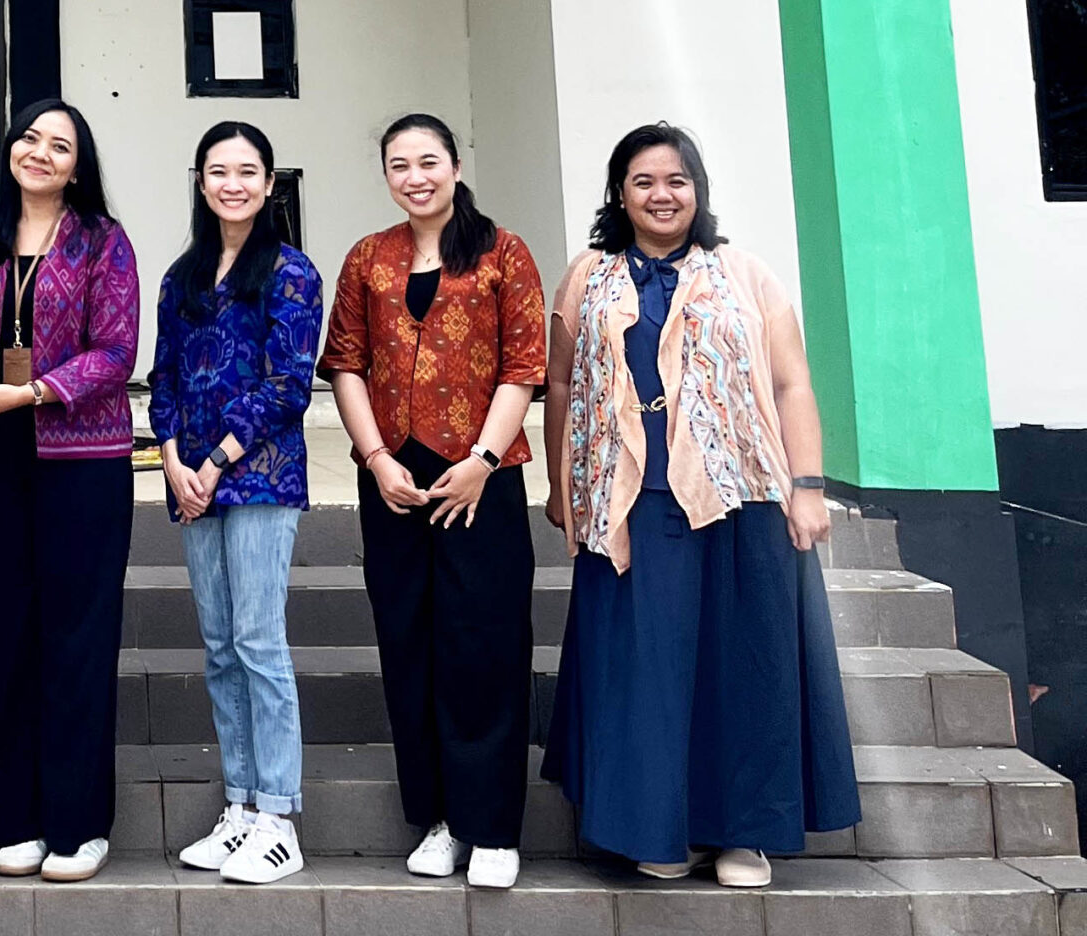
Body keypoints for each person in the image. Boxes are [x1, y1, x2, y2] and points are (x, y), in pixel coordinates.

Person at [541, 124, 860, 887]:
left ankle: (742, 836)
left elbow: (793, 383)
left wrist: (807, 486)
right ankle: (660, 829)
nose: (661, 194)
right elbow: (558, 384)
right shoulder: (587, 276)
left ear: (698, 188)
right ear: (620, 192)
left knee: (741, 668)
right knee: (644, 673)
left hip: (741, 499)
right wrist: (561, 487)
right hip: (632, 504)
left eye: (676, 180)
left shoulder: (745, 274)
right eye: (644, 181)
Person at [318, 111, 545, 894]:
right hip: (394, 482)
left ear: (455, 165)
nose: (415, 177)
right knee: (409, 643)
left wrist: (483, 459)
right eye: (398, 165)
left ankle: (492, 827)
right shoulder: (367, 257)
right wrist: (375, 457)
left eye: (428, 161)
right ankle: (441, 820)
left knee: (483, 646)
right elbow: (344, 363)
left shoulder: (501, 251)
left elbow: (523, 366)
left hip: (481, 479)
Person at [0, 98, 140, 885]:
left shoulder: (103, 241)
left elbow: (116, 353)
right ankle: (17, 820)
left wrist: (31, 394)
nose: (40, 152)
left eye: (59, 145)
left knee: (77, 638)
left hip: (82, 462)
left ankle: (79, 823)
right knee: (3, 633)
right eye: (30, 137)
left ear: (77, 164)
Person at [151, 119, 324, 889]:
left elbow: (288, 385)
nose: (233, 184)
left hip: (258, 480)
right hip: (193, 483)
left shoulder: (291, 273)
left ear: (269, 182)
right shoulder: (181, 276)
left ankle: (280, 817)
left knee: (259, 642)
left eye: (247, 171)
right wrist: (172, 461)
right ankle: (243, 805)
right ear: (200, 182)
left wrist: (216, 461)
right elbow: (162, 381)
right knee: (219, 648)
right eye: (218, 171)